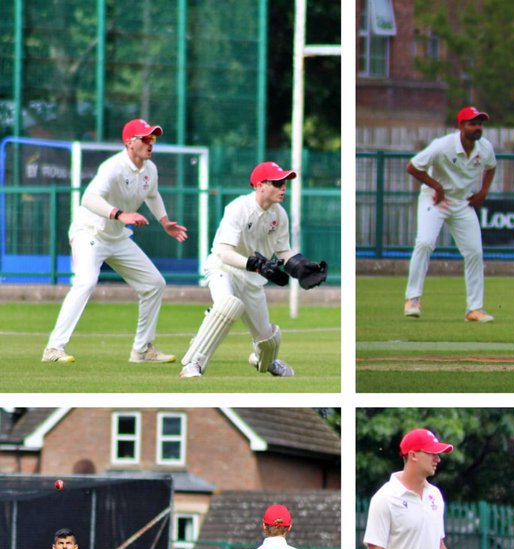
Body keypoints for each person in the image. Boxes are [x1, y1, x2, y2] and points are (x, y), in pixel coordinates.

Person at [42, 118, 187, 364]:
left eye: (153, 138)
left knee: (154, 283)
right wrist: (121, 215)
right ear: (130, 142)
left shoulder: (150, 170)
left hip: (117, 236)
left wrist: (164, 221)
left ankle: (142, 350)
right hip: (89, 232)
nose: (151, 143)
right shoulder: (113, 166)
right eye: (145, 138)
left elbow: (152, 194)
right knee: (86, 283)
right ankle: (53, 349)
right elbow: (88, 198)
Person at [178, 161, 327, 379]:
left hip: (253, 281)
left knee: (268, 339)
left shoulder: (279, 215)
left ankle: (264, 361)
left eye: (284, 182)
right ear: (260, 185)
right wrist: (255, 264)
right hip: (224, 269)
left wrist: (301, 265)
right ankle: (193, 364)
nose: (283, 187)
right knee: (227, 305)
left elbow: (283, 250)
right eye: (277, 183)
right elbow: (222, 251)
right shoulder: (239, 208)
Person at [404, 107, 497, 322]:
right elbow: (412, 167)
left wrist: (483, 192)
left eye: (480, 124)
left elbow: (491, 167)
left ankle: (474, 309)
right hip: (435, 199)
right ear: (460, 126)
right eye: (472, 123)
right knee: (425, 243)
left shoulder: (485, 148)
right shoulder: (442, 146)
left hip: (462, 201)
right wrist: (437, 186)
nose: (477, 128)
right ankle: (412, 299)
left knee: (474, 251)